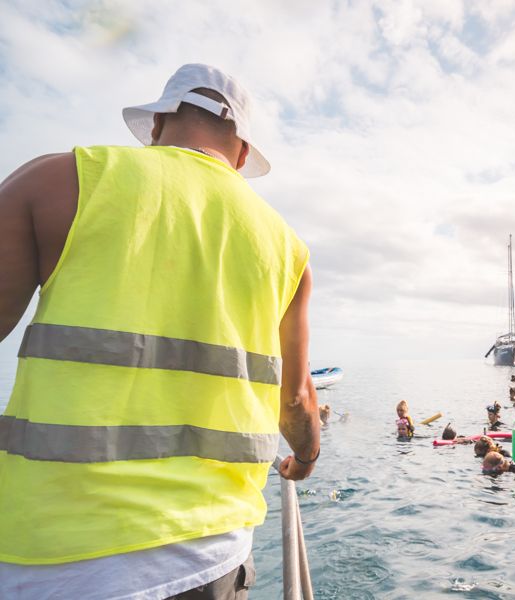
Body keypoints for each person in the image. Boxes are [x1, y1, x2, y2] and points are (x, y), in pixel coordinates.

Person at [0, 64, 320, 599]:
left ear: (157, 126)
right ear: (243, 153)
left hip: (56, 559)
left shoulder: (55, 181)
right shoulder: (290, 252)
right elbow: (298, 400)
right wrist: (304, 459)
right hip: (212, 555)